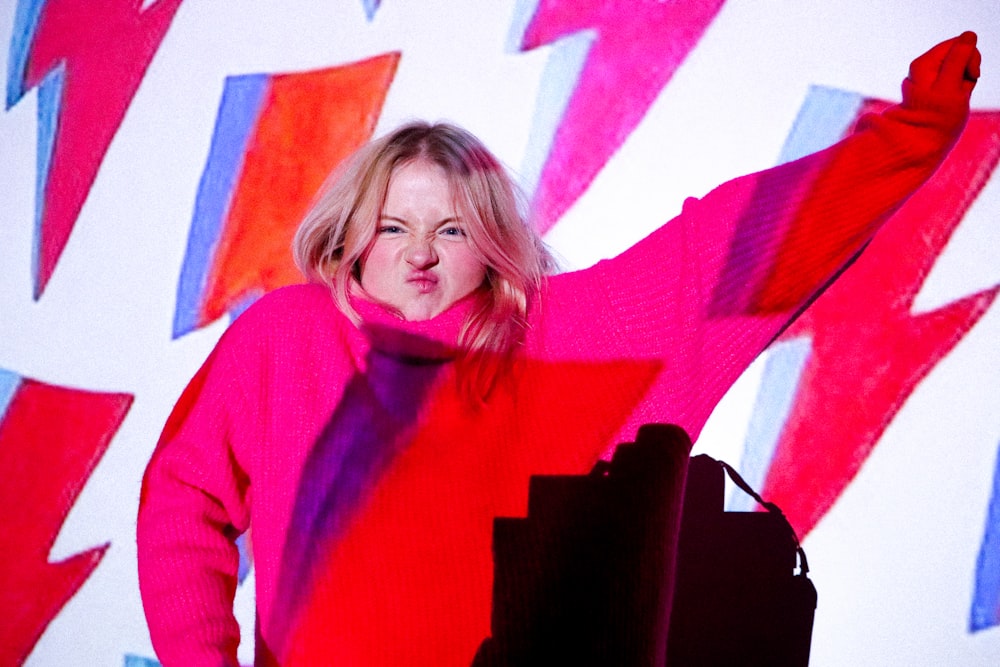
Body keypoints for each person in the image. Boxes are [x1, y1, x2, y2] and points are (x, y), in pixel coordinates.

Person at [138, 32, 981, 666]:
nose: (419, 254)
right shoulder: (284, 339)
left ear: (493, 242)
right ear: (354, 237)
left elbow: (733, 248)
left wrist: (905, 139)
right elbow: (182, 495)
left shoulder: (572, 334)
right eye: (393, 226)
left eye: (452, 228)